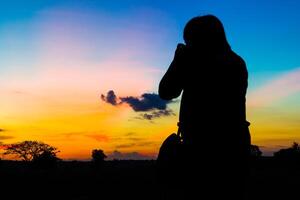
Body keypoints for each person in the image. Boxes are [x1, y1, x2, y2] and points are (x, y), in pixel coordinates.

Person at [158, 15, 251, 199]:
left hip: (203, 151)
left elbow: (166, 91)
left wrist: (178, 60)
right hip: (234, 146)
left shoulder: (198, 64)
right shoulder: (236, 62)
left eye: (190, 42)